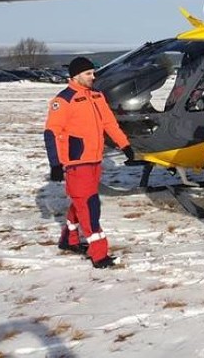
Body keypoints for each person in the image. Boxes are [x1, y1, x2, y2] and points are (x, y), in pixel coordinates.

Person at [44, 57, 134, 269]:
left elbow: (109, 124)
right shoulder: (63, 100)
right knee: (90, 206)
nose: (93, 77)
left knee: (82, 201)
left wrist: (125, 146)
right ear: (75, 76)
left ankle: (69, 240)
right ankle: (99, 253)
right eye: (88, 74)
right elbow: (51, 133)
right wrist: (55, 164)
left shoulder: (96, 96)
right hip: (77, 163)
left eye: (93, 73)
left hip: (95, 160)